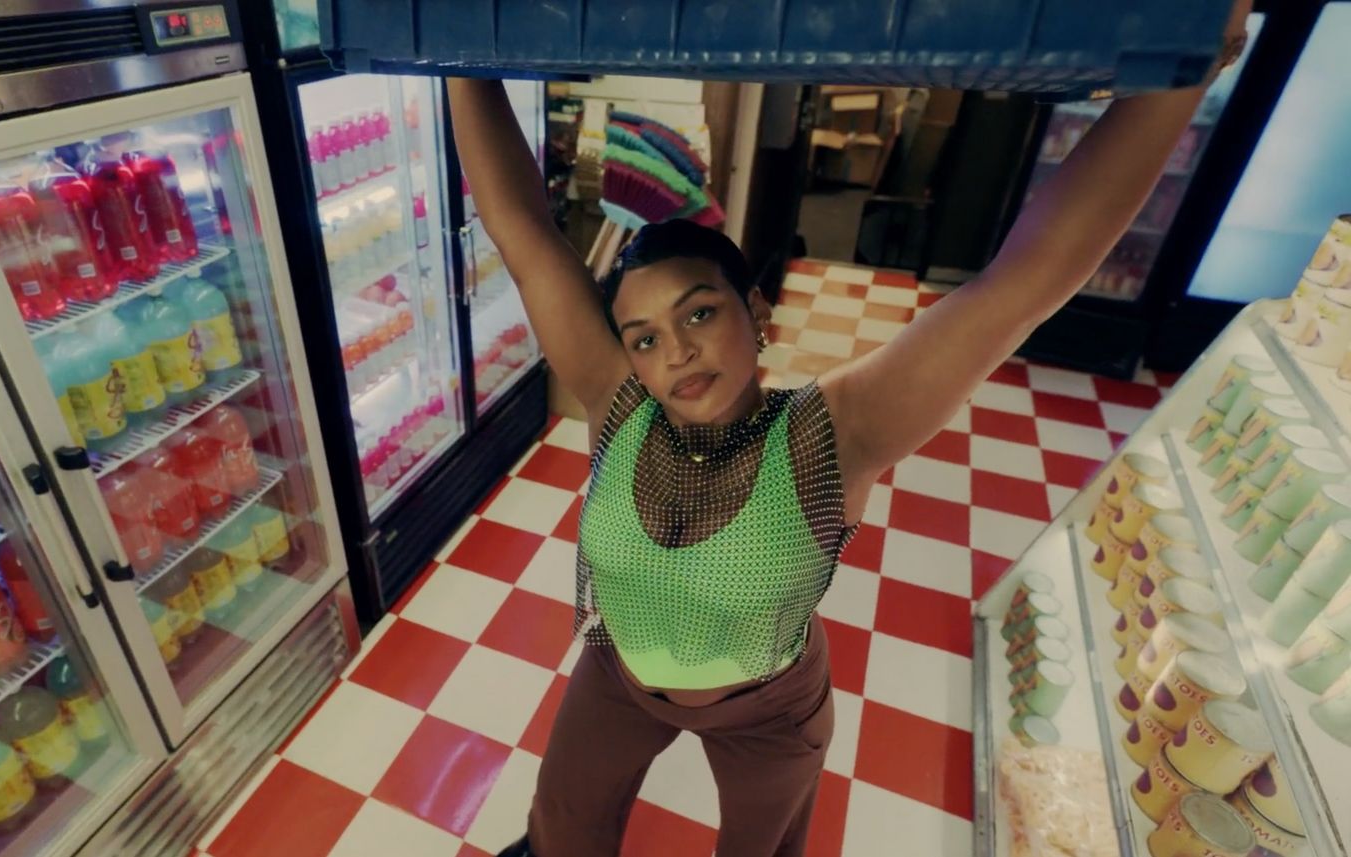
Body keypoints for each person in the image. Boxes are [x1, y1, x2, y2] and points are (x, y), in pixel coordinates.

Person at [447, 6, 1250, 855]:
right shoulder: (619, 402)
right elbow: (524, 232)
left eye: (701, 312)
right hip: (617, 674)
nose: (675, 350)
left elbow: (1024, 281)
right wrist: (455, 51)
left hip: (767, 708)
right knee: (559, 832)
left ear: (755, 314)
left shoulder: (831, 433)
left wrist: (1187, 68)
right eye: (643, 336)